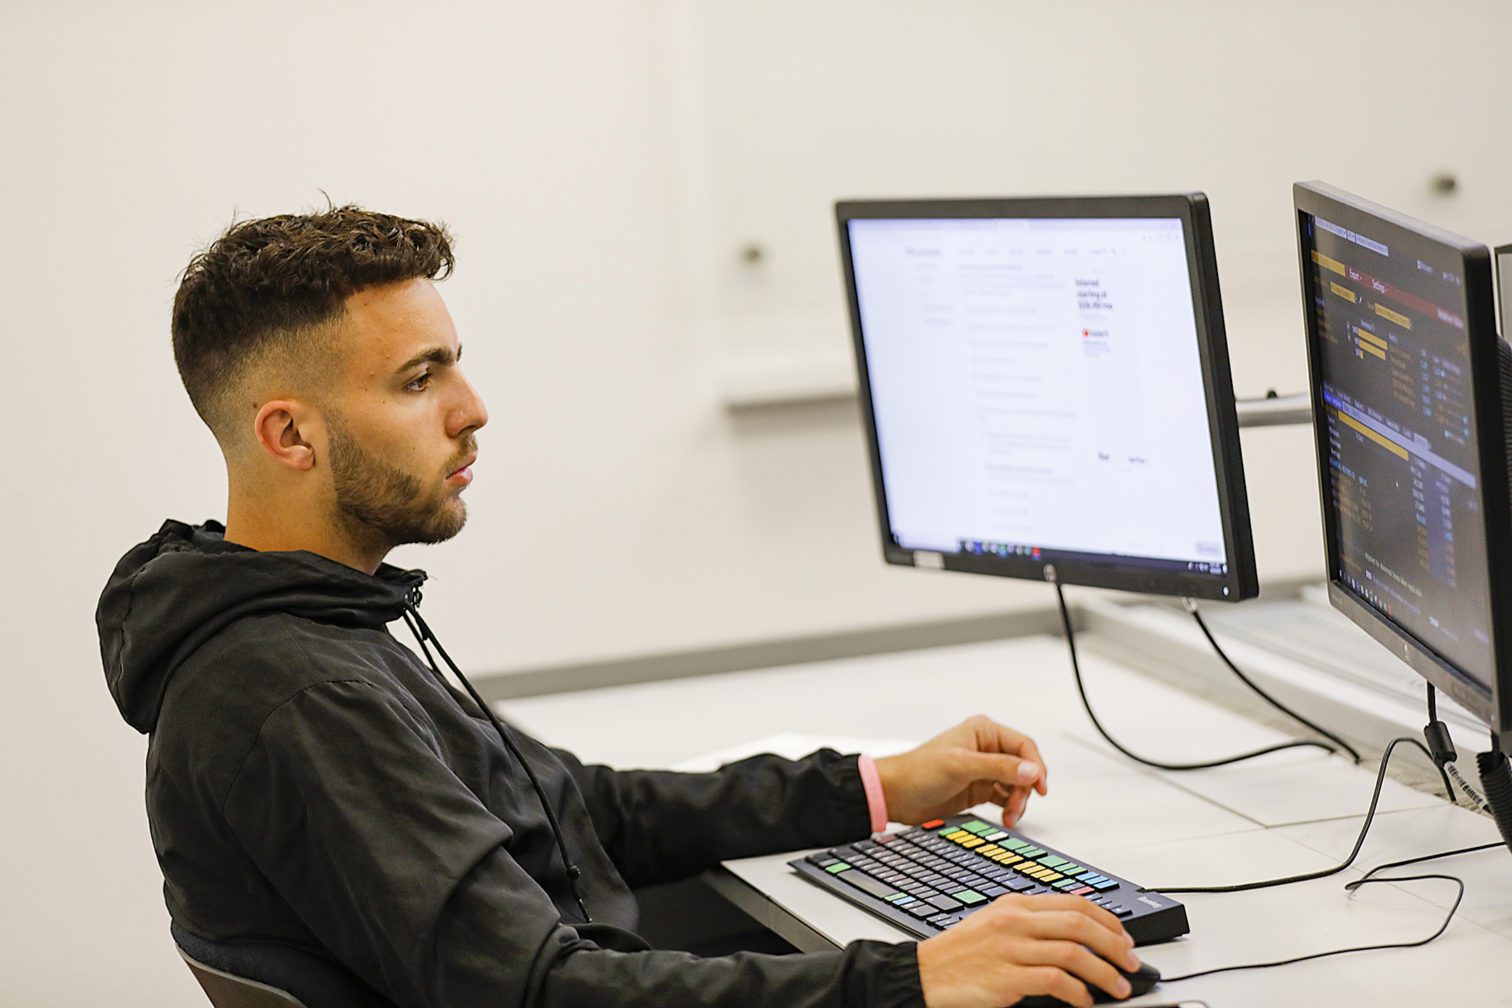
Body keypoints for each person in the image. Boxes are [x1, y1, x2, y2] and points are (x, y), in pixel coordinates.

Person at [98, 206, 1141, 1008]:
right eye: (421, 381)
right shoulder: (296, 695)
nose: (473, 410)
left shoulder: (318, 619)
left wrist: (873, 788)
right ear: (291, 437)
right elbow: (542, 993)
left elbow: (576, 810)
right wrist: (910, 978)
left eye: (455, 365)